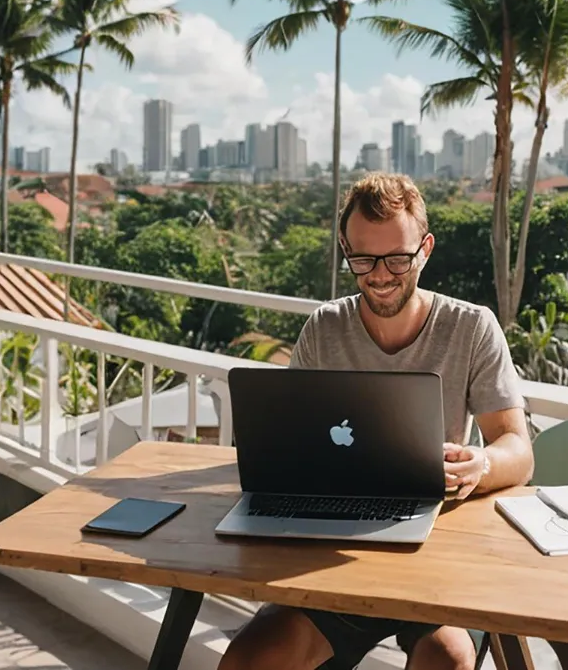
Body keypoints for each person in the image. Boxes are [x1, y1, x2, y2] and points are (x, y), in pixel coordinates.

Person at [219, 172, 534, 670]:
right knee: (247, 661)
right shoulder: (324, 329)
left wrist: (481, 463)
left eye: (398, 258)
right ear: (346, 250)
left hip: (436, 551)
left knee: (447, 659)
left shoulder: (472, 327)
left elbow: (518, 448)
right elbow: (286, 442)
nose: (380, 275)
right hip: (333, 551)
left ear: (425, 249)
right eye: (363, 259)